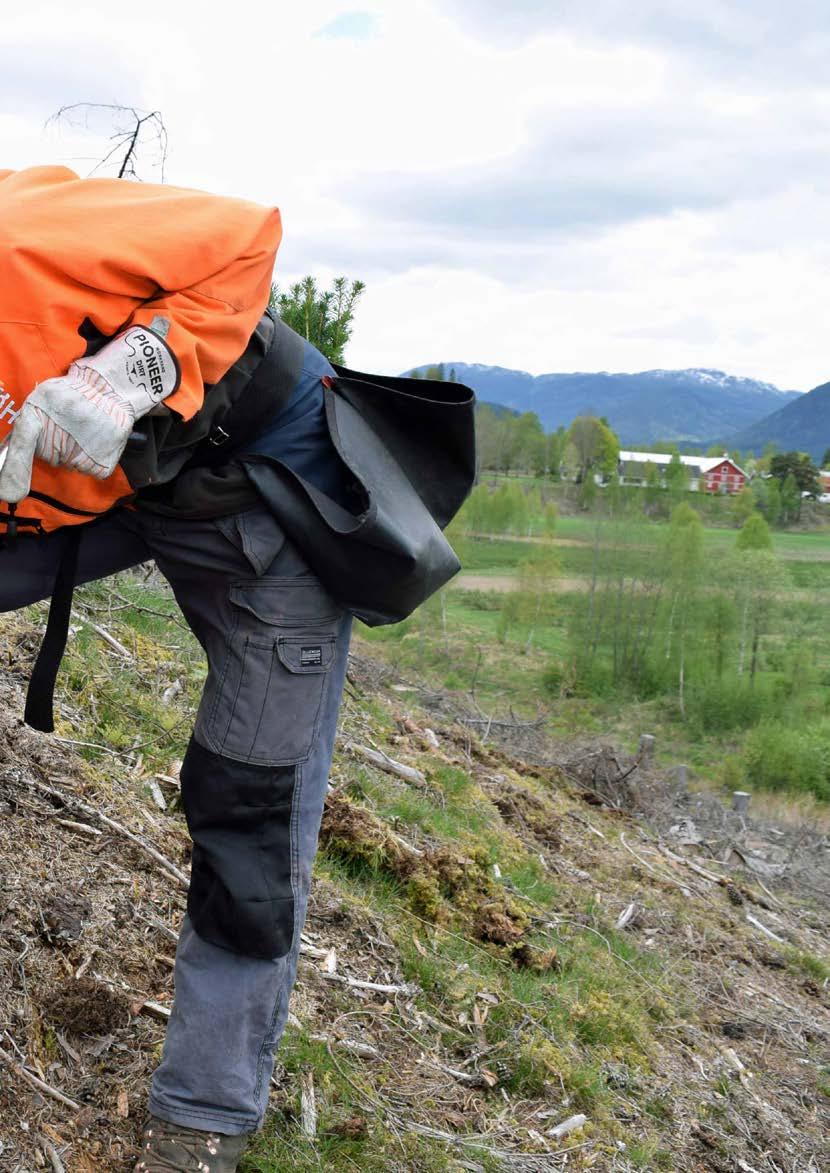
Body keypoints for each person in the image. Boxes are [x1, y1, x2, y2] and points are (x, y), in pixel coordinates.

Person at [0, 165, 360, 1172]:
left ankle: (201, 1118)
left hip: (261, 484)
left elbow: (244, 236)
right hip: (100, 493)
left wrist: (131, 369)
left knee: (250, 802)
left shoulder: (25, 234)